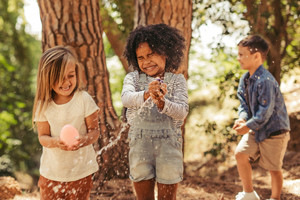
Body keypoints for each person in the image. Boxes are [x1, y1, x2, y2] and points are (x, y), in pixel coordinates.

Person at [122, 23, 189, 200]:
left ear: (165, 51)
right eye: (140, 57)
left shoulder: (177, 81)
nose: (146, 61)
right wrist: (146, 94)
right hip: (140, 145)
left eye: (151, 54)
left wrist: (162, 103)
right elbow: (126, 99)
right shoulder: (133, 79)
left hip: (169, 145)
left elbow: (182, 112)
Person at [32, 46, 100, 200]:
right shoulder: (44, 105)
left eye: (71, 75)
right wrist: (56, 142)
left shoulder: (83, 99)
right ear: (48, 78)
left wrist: (83, 140)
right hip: (51, 172)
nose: (66, 82)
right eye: (59, 77)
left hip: (81, 172)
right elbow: (43, 137)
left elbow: (94, 131)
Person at [233, 35, 290, 200]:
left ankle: (275, 197)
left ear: (256, 56)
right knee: (240, 154)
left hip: (274, 131)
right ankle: (249, 194)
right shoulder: (245, 79)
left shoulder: (265, 81)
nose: (238, 58)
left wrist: (248, 126)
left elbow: (265, 112)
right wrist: (242, 119)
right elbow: (243, 104)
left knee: (274, 168)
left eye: (242, 54)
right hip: (255, 128)